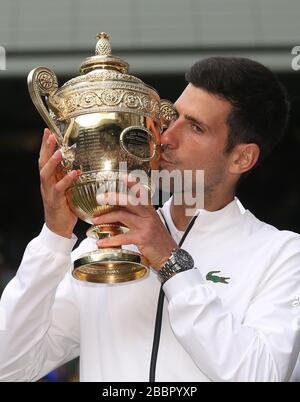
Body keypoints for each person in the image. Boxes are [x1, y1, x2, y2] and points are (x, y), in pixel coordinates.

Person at [0, 57, 300, 382]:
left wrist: (171, 263)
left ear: (242, 157)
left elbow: (261, 375)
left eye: (196, 127)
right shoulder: (108, 241)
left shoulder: (282, 254)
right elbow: (9, 367)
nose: (168, 137)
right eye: (174, 117)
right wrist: (54, 237)